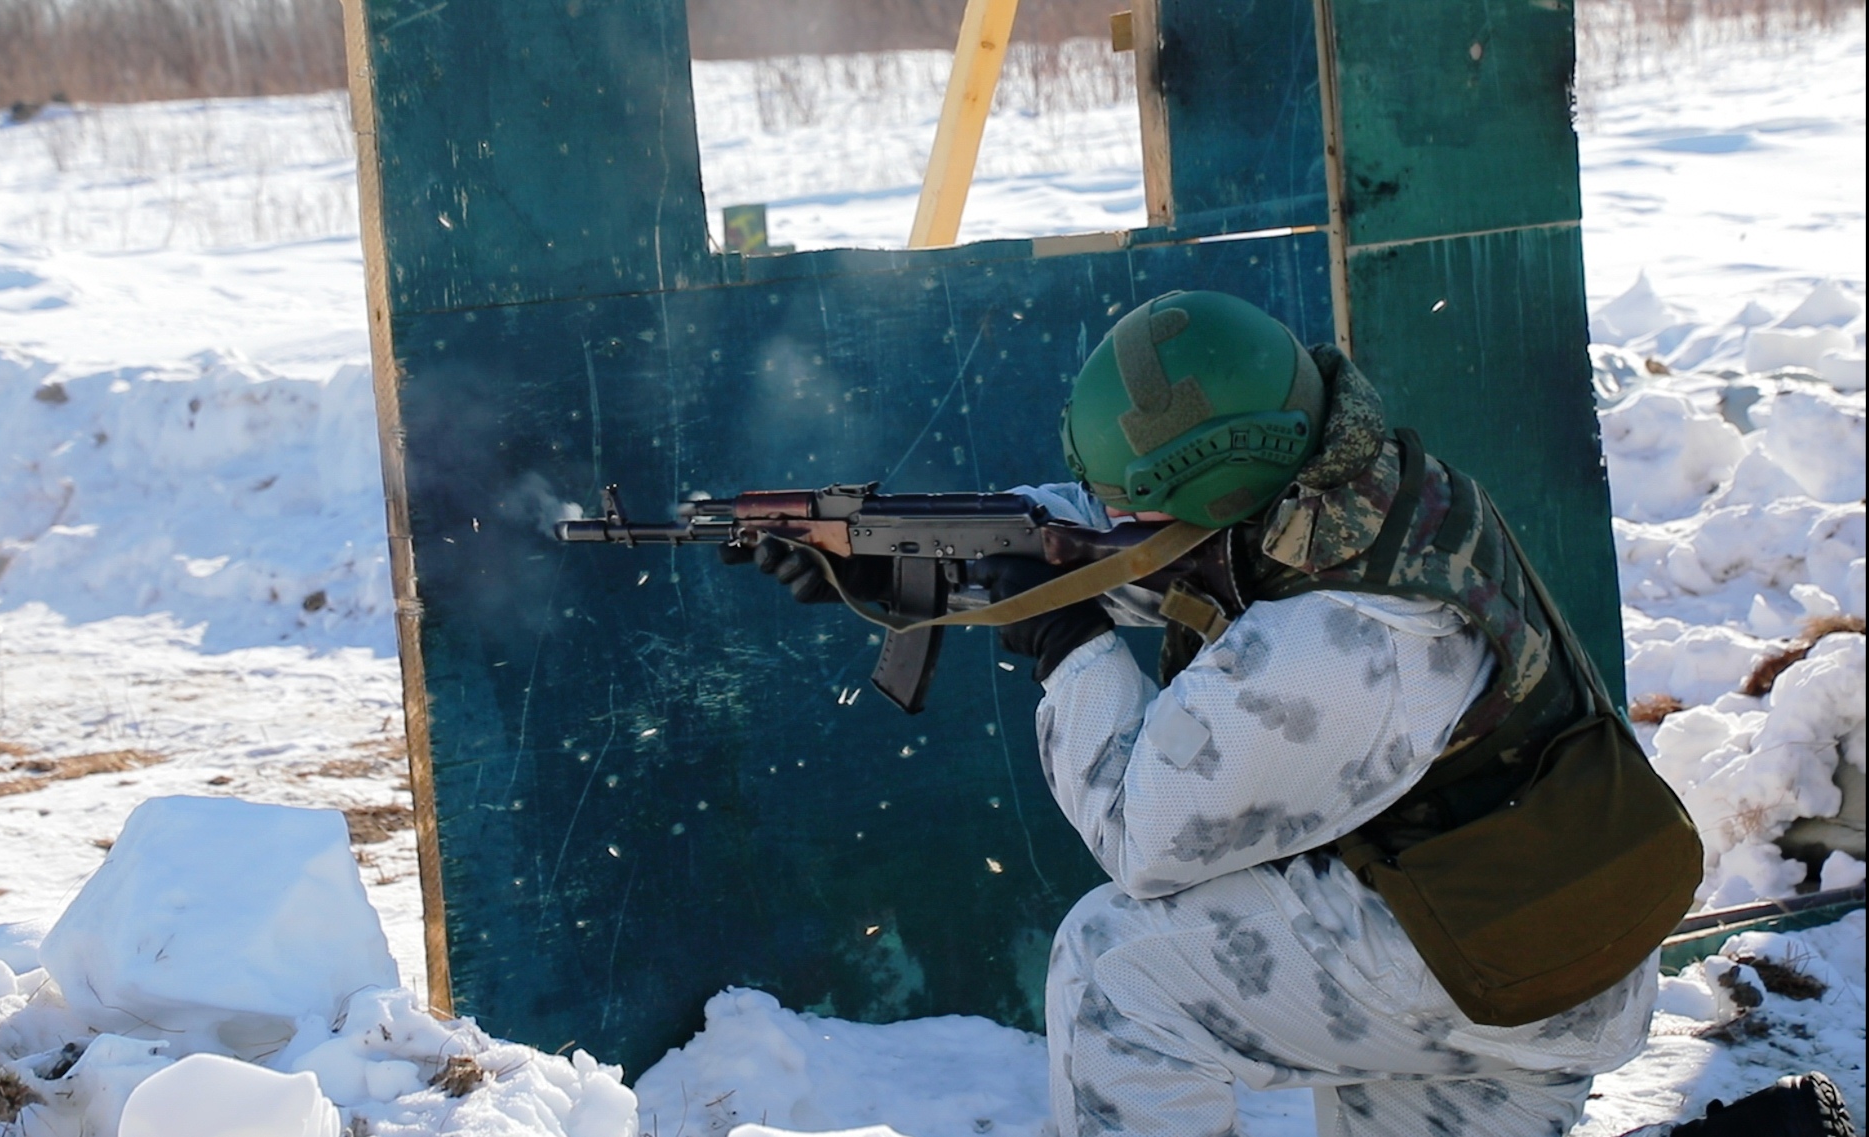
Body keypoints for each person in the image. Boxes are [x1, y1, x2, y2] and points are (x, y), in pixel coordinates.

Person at [734, 291, 1840, 1137]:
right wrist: (903, 556)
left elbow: (1142, 834)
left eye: (1134, 497)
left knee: (1118, 968)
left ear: (1213, 488)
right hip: (1525, 917)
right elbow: (1131, 542)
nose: (1108, 513)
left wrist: (1050, 636)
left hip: (1490, 970)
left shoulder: (1344, 641)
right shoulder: (1355, 483)